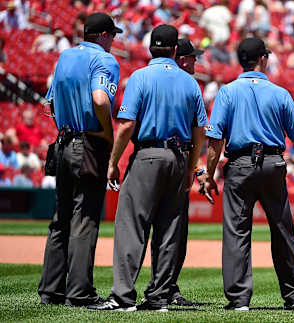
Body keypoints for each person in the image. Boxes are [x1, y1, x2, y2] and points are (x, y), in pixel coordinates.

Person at [88, 25, 207, 312]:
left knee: (132, 225)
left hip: (148, 154)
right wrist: (192, 166)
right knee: (169, 230)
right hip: (179, 156)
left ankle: (122, 296)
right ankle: (158, 297)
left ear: (150, 48)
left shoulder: (140, 76)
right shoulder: (191, 83)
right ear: (175, 50)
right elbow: (200, 129)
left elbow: (127, 124)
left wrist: (114, 162)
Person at [201, 37, 294, 311]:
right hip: (273, 163)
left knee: (237, 232)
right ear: (263, 58)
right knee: (282, 229)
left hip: (239, 165)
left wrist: (209, 174)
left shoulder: (227, 92)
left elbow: (215, 139)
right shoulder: (280, 93)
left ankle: (239, 300)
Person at [38, 12, 122, 307]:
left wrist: (66, 127)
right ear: (102, 35)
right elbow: (101, 99)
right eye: (112, 35)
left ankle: (51, 290)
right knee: (85, 219)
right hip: (88, 143)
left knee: (60, 219)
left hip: (62, 141)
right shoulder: (105, 60)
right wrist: (107, 136)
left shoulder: (65, 57)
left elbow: (49, 103)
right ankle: (80, 293)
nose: (114, 40)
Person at [139, 38, 206, 307]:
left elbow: (193, 134)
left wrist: (197, 168)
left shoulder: (185, 85)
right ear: (180, 58)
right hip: (165, 160)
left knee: (174, 232)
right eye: (192, 57)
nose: (196, 61)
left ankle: (167, 287)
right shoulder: (183, 85)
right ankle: (156, 289)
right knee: (164, 228)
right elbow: (197, 131)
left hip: (170, 159)